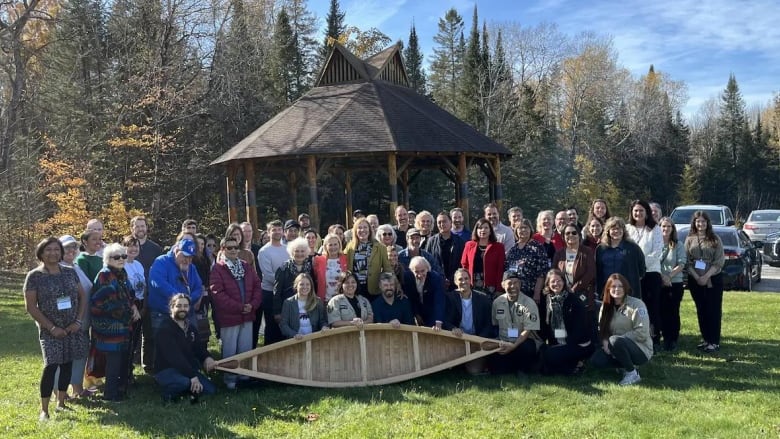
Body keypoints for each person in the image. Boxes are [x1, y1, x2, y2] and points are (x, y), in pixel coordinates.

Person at [24, 238, 90, 421]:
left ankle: (61, 403)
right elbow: (31, 307)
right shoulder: (34, 276)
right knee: (51, 365)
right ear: (41, 253)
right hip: (50, 330)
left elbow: (82, 297)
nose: (52, 253)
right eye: (48, 250)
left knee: (67, 363)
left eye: (56, 250)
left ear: (61, 252)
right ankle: (44, 410)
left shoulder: (70, 272)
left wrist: (77, 321)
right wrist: (51, 327)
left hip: (71, 328)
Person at [209, 236, 262, 389]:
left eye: (235, 247)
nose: (233, 250)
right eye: (229, 248)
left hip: (248, 314)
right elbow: (217, 293)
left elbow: (257, 286)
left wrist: (252, 305)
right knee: (230, 350)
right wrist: (239, 307)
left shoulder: (246, 266)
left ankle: (244, 377)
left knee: (245, 348)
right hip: (230, 317)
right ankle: (230, 380)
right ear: (223, 249)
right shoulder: (218, 269)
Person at [91, 243, 141, 402]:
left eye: (123, 256)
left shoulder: (121, 273)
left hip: (123, 325)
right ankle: (110, 395)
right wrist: (125, 312)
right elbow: (101, 302)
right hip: (109, 326)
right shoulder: (105, 275)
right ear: (107, 259)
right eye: (116, 257)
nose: (121, 259)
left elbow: (129, 294)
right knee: (113, 362)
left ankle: (120, 390)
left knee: (121, 359)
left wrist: (133, 306)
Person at [147, 239, 203, 370]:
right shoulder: (161, 262)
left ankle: (190, 372)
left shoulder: (191, 268)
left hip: (185, 313)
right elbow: (158, 283)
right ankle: (165, 376)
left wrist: (189, 300)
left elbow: (198, 287)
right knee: (164, 347)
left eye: (190, 258)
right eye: (184, 256)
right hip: (163, 313)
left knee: (188, 343)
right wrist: (179, 298)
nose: (187, 261)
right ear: (176, 251)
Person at [590, 274, 652, 386]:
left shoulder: (637, 304)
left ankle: (632, 373)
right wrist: (605, 342)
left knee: (615, 341)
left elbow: (642, 333)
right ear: (608, 289)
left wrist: (616, 342)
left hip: (640, 348)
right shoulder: (605, 306)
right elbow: (602, 329)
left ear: (626, 288)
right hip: (614, 345)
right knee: (596, 360)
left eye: (620, 286)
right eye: (613, 286)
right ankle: (623, 365)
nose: (617, 289)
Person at [154, 294, 217, 403]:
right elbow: (175, 358)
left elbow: (199, 349)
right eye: (179, 306)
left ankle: (187, 388)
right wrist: (192, 377)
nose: (182, 309)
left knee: (211, 390)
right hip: (166, 370)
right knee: (185, 382)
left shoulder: (191, 328)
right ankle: (168, 393)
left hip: (187, 369)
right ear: (172, 307)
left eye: (185, 306)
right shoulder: (164, 329)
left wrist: (207, 358)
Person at [58, 235, 94, 399]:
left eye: (74, 247)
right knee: (64, 358)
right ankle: (61, 392)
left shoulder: (74, 266)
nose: (71, 250)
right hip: (70, 323)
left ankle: (77, 389)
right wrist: (71, 321)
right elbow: (61, 299)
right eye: (67, 248)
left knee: (80, 356)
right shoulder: (59, 269)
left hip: (83, 322)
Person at [684, 211, 725, 353]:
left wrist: (706, 276)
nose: (700, 224)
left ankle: (714, 341)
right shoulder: (689, 239)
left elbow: (719, 261)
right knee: (701, 310)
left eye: (703, 221)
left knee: (713, 310)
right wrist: (697, 277)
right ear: (694, 223)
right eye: (698, 221)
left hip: (713, 279)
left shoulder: (715, 239)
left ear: (707, 223)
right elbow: (687, 261)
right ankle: (706, 338)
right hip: (695, 279)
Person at [625, 200, 664, 350]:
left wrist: (640, 267)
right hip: (631, 275)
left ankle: (654, 339)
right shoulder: (627, 229)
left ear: (646, 212)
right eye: (635, 211)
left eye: (641, 211)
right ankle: (634, 337)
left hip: (651, 273)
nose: (638, 214)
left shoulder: (655, 229)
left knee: (652, 307)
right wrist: (633, 269)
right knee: (633, 307)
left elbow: (657, 251)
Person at [539, 269, 594, 375]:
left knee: (549, 356)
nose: (556, 284)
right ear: (548, 284)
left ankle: (574, 366)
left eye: (559, 281)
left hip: (578, 344)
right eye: (553, 282)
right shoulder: (547, 300)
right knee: (542, 355)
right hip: (557, 343)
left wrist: (564, 347)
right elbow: (545, 325)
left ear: (564, 282)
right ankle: (575, 365)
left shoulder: (574, 301)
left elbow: (580, 328)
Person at [490, 271, 541, 376]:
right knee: (497, 370)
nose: (513, 286)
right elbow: (495, 325)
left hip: (522, 342)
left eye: (516, 283)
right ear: (503, 285)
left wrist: (513, 346)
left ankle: (523, 369)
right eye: (509, 283)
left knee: (527, 348)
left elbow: (527, 330)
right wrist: (498, 343)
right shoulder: (497, 302)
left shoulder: (529, 303)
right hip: (504, 342)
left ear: (520, 284)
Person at [257, 220, 289, 346]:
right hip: (270, 293)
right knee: (271, 326)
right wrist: (285, 284)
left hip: (285, 293)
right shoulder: (264, 251)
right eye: (273, 230)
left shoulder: (287, 249)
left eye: (279, 229)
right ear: (268, 232)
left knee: (284, 324)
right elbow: (268, 274)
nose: (277, 232)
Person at [595, 217, 645, 298]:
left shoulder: (633, 248)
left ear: (624, 230)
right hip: (606, 292)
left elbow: (642, 270)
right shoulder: (600, 249)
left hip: (628, 293)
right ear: (608, 231)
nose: (616, 231)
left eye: (619, 228)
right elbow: (598, 271)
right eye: (613, 229)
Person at [273, 237, 313, 336]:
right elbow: (276, 291)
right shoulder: (283, 268)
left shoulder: (310, 267)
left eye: (302, 251)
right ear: (291, 252)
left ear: (307, 252)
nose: (300, 254)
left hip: (306, 306)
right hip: (288, 307)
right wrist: (277, 312)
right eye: (297, 251)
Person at [552, 224, 596, 312]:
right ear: (563, 237)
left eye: (574, 233)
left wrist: (574, 288)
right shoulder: (559, 253)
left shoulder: (587, 251)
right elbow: (554, 272)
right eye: (567, 233)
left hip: (582, 294)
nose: (570, 235)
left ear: (579, 235)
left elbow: (591, 273)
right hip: (563, 294)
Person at [344, 217, 392, 297]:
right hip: (355, 289)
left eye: (365, 227)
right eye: (359, 228)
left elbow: (387, 269)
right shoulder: (350, 247)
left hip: (373, 289)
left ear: (370, 230)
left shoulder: (380, 247)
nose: (362, 230)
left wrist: (394, 285)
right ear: (355, 231)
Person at [505, 218, 548, 303]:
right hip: (514, 292)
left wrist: (537, 293)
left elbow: (541, 273)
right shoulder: (513, 249)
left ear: (530, 230)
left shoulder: (538, 247)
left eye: (526, 227)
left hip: (531, 293)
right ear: (516, 231)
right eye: (520, 228)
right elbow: (508, 271)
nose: (523, 230)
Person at [659, 217, 686, 352]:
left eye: (669, 226)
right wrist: (662, 277)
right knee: (660, 311)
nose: (666, 229)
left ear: (673, 229)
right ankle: (662, 337)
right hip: (658, 282)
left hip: (674, 283)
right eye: (663, 226)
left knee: (673, 312)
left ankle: (672, 339)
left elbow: (681, 263)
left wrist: (669, 276)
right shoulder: (655, 243)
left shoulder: (678, 244)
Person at [461, 218, 505, 296]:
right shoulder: (469, 245)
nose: (483, 230)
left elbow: (500, 269)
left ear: (490, 230)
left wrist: (499, 288)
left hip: (491, 286)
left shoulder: (499, 247)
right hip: (472, 284)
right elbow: (464, 265)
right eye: (480, 228)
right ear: (476, 230)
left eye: (486, 228)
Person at [122, 235, 146, 379]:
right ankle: (124, 374)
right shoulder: (121, 264)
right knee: (127, 341)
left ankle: (129, 371)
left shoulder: (138, 265)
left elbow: (144, 286)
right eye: (130, 245)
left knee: (134, 341)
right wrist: (133, 307)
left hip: (140, 304)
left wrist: (144, 306)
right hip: (128, 306)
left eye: (136, 246)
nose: (133, 249)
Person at [279, 273, 329, 340]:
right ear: (296, 286)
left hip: (314, 339)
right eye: (301, 284)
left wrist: (324, 327)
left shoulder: (318, 301)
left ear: (311, 286)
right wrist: (294, 334)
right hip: (295, 341)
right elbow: (283, 325)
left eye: (307, 284)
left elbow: (323, 321)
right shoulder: (288, 303)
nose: (305, 287)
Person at [423, 211, 465, 289]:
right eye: (439, 222)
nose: (442, 224)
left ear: (450, 222)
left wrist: (452, 279)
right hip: (436, 282)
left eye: (444, 221)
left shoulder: (459, 241)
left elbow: (462, 263)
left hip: (455, 283)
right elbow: (427, 261)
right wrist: (441, 278)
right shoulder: (431, 241)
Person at [403, 256, 446, 329]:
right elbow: (410, 298)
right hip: (416, 311)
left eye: (422, 271)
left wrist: (438, 322)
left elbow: (439, 301)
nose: (420, 275)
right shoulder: (407, 278)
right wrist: (416, 314)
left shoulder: (436, 278)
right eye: (416, 272)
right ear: (411, 270)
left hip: (431, 311)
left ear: (427, 269)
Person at [313, 233, 348, 302]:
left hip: (342, 300)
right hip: (325, 300)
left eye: (335, 244)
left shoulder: (345, 258)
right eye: (330, 245)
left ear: (339, 245)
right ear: (326, 246)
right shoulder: (318, 260)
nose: (333, 247)